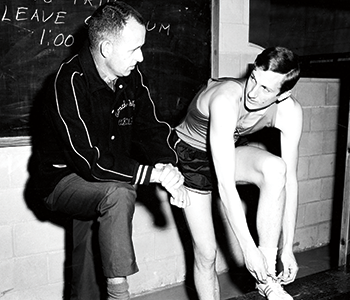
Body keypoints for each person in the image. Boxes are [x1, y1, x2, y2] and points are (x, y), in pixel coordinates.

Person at [30, 2, 189, 300]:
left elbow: (149, 129)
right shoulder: (69, 83)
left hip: (100, 180)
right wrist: (153, 175)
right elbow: (88, 160)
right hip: (61, 182)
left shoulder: (131, 78)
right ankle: (120, 296)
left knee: (87, 266)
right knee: (118, 193)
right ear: (105, 48)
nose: (141, 57)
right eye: (134, 49)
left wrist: (169, 168)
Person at [174, 46, 302, 300]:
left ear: (284, 93)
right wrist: (247, 248)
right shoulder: (226, 99)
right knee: (206, 252)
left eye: (266, 89)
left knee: (276, 169)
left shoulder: (290, 112)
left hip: (226, 151)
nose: (253, 92)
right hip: (191, 158)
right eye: (254, 78)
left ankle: (266, 279)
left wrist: (286, 247)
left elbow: (290, 181)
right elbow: (224, 186)